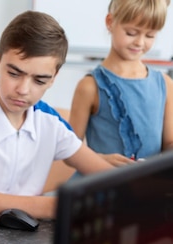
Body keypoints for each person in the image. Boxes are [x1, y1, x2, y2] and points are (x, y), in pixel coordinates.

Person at [0, 11, 113, 220]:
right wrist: (49, 207)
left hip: (23, 241)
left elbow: (114, 178)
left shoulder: (50, 122)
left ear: (53, 79)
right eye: (14, 74)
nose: (23, 89)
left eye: (40, 80)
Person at [69, 0, 173, 166]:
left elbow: (169, 144)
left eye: (150, 35)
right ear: (110, 22)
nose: (140, 42)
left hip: (149, 187)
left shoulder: (165, 85)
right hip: (104, 184)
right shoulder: (89, 87)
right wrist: (100, 160)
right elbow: (69, 150)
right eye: (131, 33)